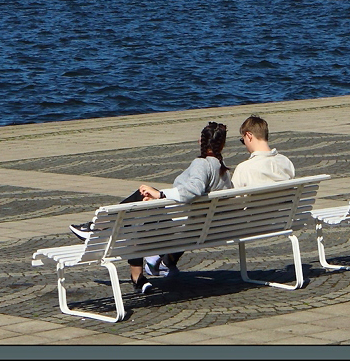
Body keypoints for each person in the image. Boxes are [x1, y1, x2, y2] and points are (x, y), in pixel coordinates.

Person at [69, 122, 232, 295]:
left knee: (141, 200)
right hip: (198, 231)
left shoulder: (202, 164)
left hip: (178, 229)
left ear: (200, 141)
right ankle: (137, 275)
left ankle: (98, 228)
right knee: (145, 202)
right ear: (222, 145)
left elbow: (194, 190)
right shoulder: (223, 170)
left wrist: (160, 194)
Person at [230, 115, 295, 190]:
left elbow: (234, 199)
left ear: (249, 136)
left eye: (243, 140)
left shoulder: (244, 168)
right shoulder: (285, 162)